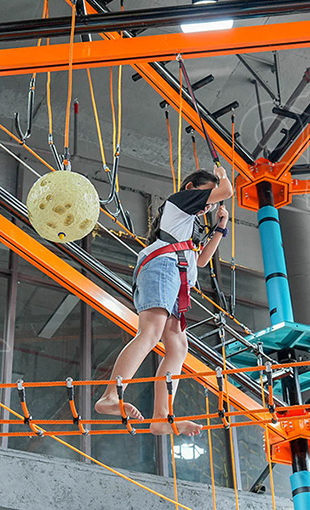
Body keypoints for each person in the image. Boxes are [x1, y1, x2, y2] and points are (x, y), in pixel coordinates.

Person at [95, 166, 233, 436]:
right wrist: (222, 175)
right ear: (191, 188)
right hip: (162, 270)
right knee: (150, 333)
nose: (208, 205)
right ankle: (110, 396)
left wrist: (220, 228)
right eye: (208, 196)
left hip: (176, 280)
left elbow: (201, 261)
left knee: (178, 348)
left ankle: (161, 418)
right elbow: (227, 191)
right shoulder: (180, 201)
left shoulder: (186, 225)